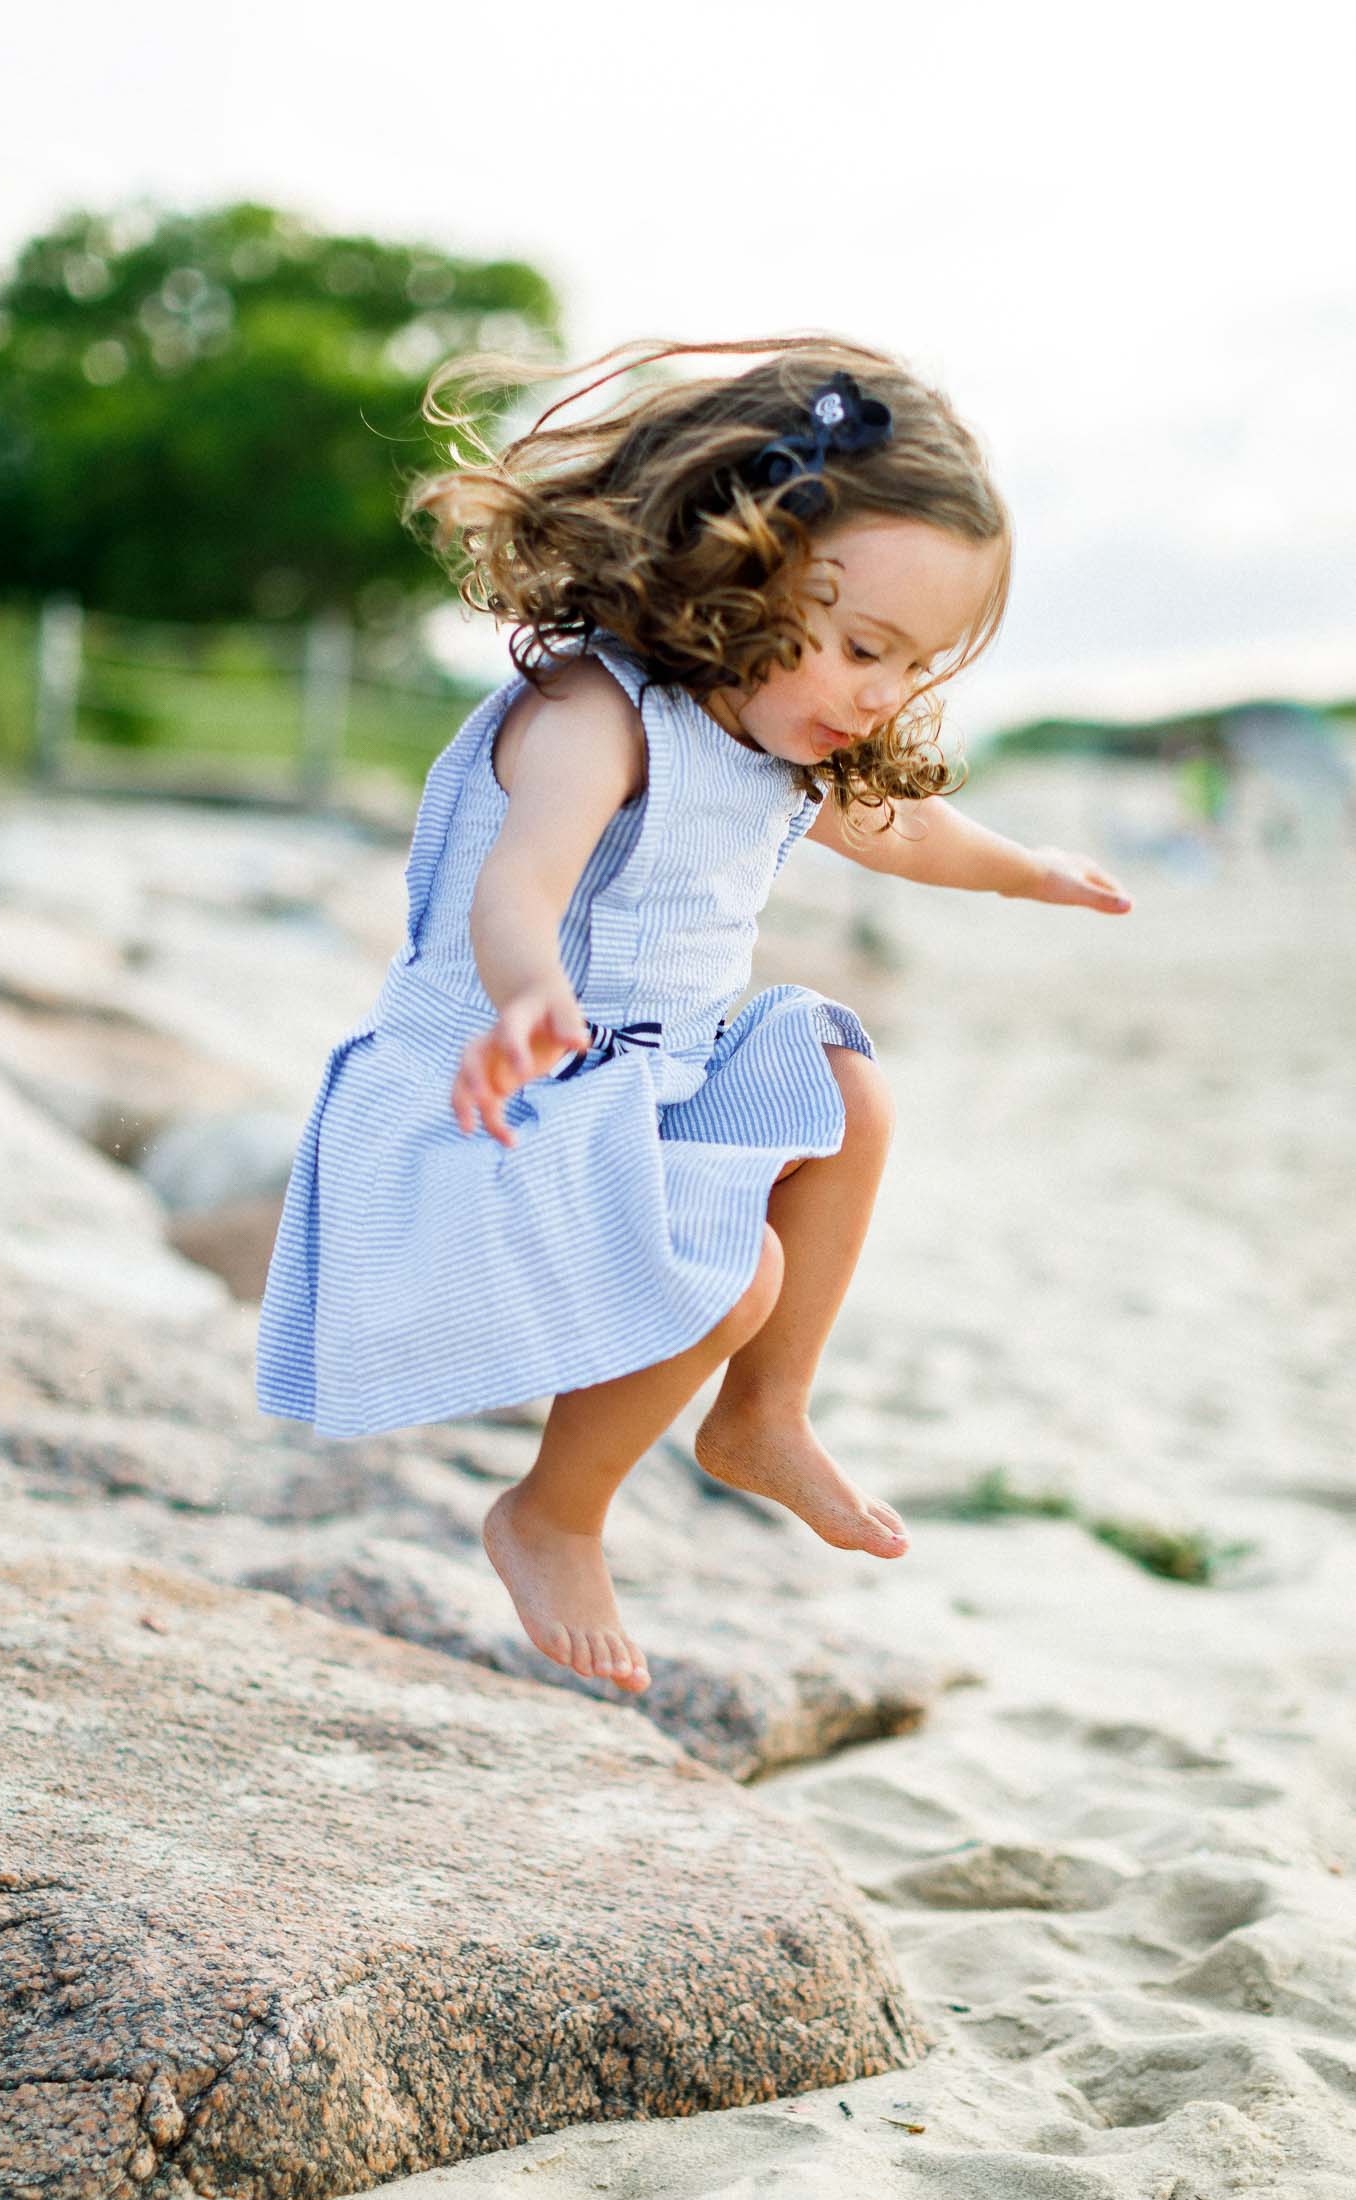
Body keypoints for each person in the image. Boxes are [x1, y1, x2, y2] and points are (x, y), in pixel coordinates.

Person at [256, 335, 1133, 1700]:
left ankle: (763, 1414)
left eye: (907, 665)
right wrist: (529, 993)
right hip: (499, 1086)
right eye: (853, 645)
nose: (874, 693)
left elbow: (907, 830)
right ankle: (552, 1511)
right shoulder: (597, 711)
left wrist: (1030, 868)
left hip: (641, 1085)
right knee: (732, 1268)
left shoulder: (779, 742)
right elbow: (519, 881)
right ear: (734, 565)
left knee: (847, 1085)